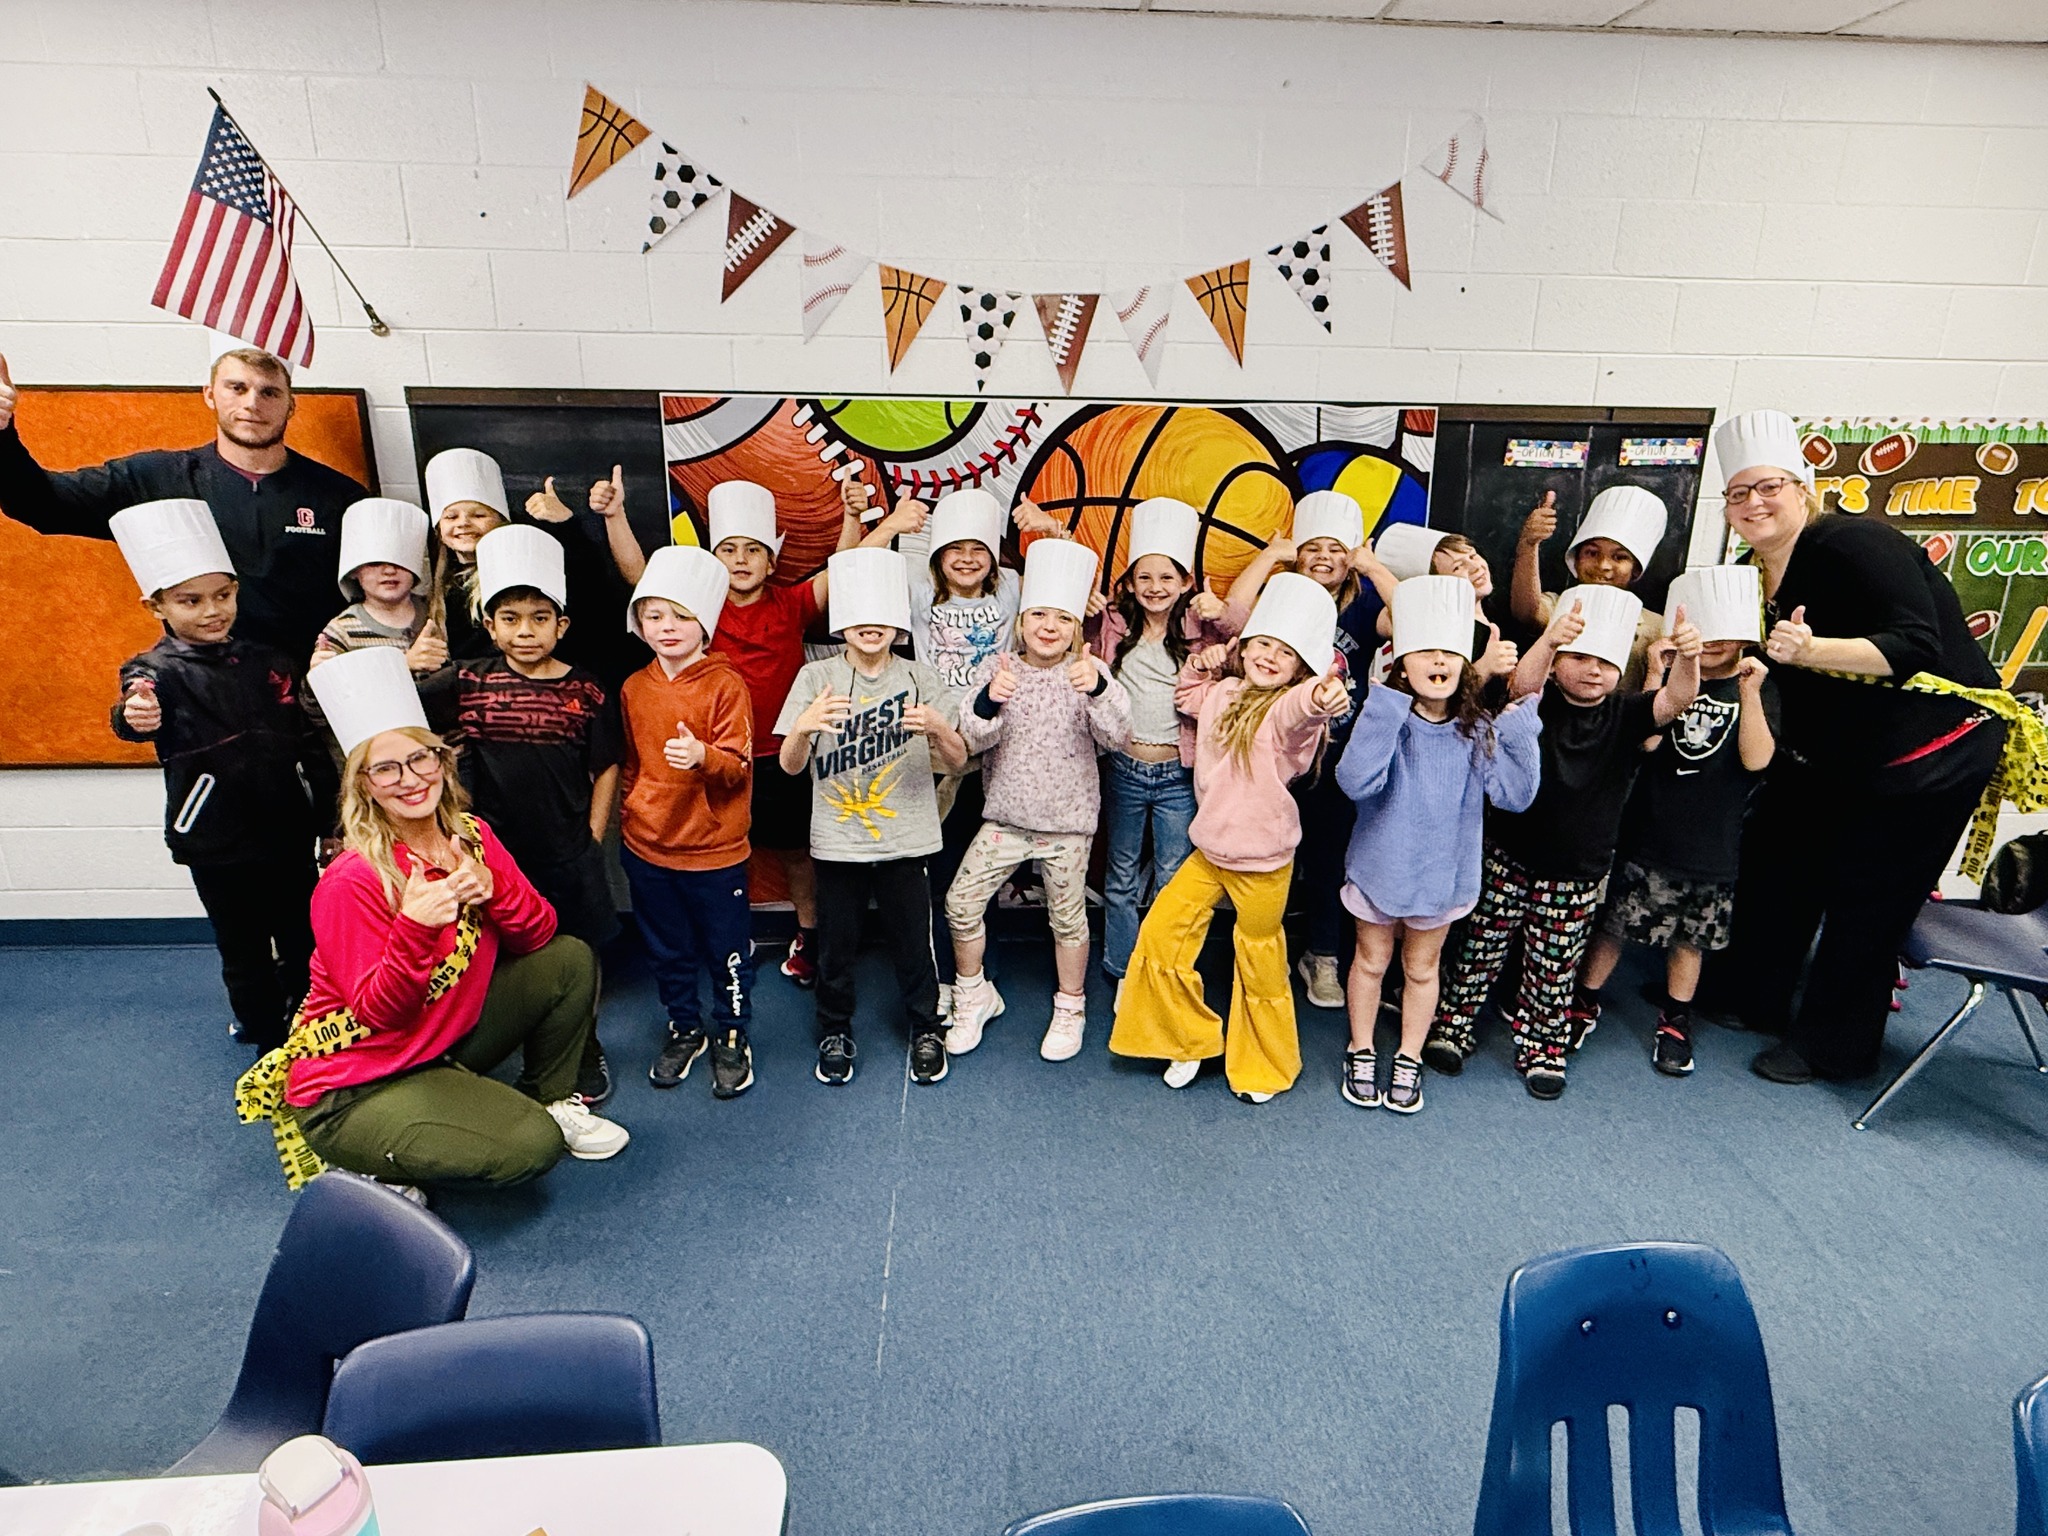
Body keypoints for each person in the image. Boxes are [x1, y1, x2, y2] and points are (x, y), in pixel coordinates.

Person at [235, 646, 628, 1195]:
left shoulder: (471, 835)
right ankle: (373, 1164)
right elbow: (380, 1014)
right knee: (531, 1148)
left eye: (422, 760)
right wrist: (415, 929)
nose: (410, 779)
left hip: (437, 1038)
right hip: (357, 1082)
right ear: (364, 785)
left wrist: (493, 890)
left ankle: (552, 1097)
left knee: (568, 958)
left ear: (443, 763)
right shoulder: (353, 880)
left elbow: (539, 935)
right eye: (386, 768)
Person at [1714, 409, 2015, 1086]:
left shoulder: (1854, 543)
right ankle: (1752, 996)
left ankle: (1833, 1047)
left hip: (1932, 750)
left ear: (1801, 489)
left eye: (1769, 488)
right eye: (1739, 494)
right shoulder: (1750, 569)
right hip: (1834, 752)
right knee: (1779, 854)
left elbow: (1915, 645)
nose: (1754, 504)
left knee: (1868, 894)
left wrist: (1811, 648)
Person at [1425, 584, 1701, 1099]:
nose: (1592, 670)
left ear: (1621, 669)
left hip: (1577, 871)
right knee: (1478, 950)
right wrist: (1551, 639)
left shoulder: (1626, 713)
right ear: (1557, 664)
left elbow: (1679, 699)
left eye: (1604, 662)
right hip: (1508, 854)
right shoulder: (1539, 697)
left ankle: (1543, 1046)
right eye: (1579, 658)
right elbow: (1522, 685)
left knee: (1554, 968)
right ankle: (1452, 1027)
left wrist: (1687, 657)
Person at [1108, 574, 1350, 1103]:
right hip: (1211, 850)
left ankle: (1264, 1065)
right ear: (1243, 647)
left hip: (1263, 860)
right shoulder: (1223, 692)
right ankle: (1189, 1039)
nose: (1270, 656)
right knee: (1160, 937)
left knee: (1260, 961)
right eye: (1263, 643)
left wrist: (1320, 692)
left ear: (1299, 668)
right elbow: (1187, 696)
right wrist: (1201, 663)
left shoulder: (1288, 713)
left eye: (1286, 653)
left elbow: (1302, 710)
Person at [107, 498, 334, 1050]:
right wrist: (135, 715)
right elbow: (132, 710)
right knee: (243, 946)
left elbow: (307, 743)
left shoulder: (270, 660)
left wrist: (327, 818)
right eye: (190, 601)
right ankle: (264, 1037)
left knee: (304, 939)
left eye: (223, 595)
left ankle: (307, 1034)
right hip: (215, 841)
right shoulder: (154, 671)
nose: (212, 610)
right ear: (155, 604)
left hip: (285, 829)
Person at [0, 336, 366, 662]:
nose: (252, 404)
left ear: (290, 404)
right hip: (205, 701)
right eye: (236, 388)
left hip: (317, 697)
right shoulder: (155, 478)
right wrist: (2, 434)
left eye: (269, 392)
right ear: (209, 393)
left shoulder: (340, 497)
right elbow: (40, 505)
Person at [705, 475, 924, 989]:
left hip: (784, 753)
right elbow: (638, 578)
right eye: (729, 550)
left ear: (772, 561)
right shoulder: (701, 610)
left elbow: (842, 571)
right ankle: (732, 935)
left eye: (753, 550)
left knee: (796, 855)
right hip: (717, 753)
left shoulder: (788, 605)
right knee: (719, 851)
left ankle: (810, 934)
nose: (740, 560)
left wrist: (878, 523)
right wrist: (614, 519)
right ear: (711, 560)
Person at [1334, 575, 1542, 1114]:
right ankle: (1360, 1048)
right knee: (1372, 960)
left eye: (1449, 650)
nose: (1438, 660)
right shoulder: (1389, 719)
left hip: (1440, 875)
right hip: (1381, 867)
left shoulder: (1476, 730)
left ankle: (1407, 1055)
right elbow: (1355, 783)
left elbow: (1516, 797)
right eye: (1424, 649)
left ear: (1466, 665)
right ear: (1402, 661)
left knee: (1423, 970)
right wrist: (1382, 708)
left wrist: (1521, 728)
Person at [777, 547, 968, 1087]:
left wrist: (939, 728)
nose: (870, 628)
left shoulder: (923, 679)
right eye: (860, 618)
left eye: (882, 618)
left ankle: (926, 1027)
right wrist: (805, 726)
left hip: (908, 836)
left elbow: (957, 762)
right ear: (842, 624)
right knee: (836, 946)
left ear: (897, 625)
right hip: (838, 840)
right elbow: (791, 768)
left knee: (913, 943)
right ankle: (834, 1029)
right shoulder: (816, 679)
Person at [1576, 564, 1776, 1077]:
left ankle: (1675, 1019)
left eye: (1722, 634)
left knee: (1690, 941)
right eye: (1700, 633)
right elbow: (1645, 741)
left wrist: (1751, 694)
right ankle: (1583, 1000)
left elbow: (1756, 760)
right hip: (1647, 833)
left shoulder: (1754, 689)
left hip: (1711, 844)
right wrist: (1653, 674)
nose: (1710, 643)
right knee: (1614, 924)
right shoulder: (1668, 683)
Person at [456, 524, 625, 1105]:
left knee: (580, 949)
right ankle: (497, 1047)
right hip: (492, 853)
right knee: (493, 953)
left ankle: (584, 1045)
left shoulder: (588, 690)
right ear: (489, 625)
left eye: (538, 617)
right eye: (510, 618)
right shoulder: (466, 681)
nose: (525, 631)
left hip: (568, 847)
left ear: (562, 626)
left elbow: (607, 766)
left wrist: (596, 832)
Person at [945, 539, 1130, 1062]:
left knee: (1067, 919)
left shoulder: (1091, 673)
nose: (1050, 626)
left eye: (1063, 619)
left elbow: (1117, 735)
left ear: (1077, 628)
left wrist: (1096, 689)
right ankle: (974, 993)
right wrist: (990, 699)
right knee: (960, 903)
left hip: (1068, 826)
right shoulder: (998, 669)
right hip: (1006, 819)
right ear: (1022, 620)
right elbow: (972, 738)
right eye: (1039, 615)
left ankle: (1071, 1006)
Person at [621, 545, 759, 1100]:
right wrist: (635, 805)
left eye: (680, 615)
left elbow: (739, 768)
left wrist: (704, 756)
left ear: (704, 622)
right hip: (647, 846)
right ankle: (684, 1026)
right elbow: (632, 763)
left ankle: (731, 1031)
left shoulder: (726, 685)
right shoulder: (635, 687)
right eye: (655, 615)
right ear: (640, 623)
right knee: (666, 948)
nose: (667, 627)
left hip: (713, 851)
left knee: (726, 947)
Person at [1227, 493, 1373, 1011]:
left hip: (1334, 758)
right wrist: (1271, 556)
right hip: (1271, 753)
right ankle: (1262, 955)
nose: (1324, 557)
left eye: (1336, 549)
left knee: (1327, 857)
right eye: (1313, 547)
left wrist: (1371, 563)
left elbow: (1410, 622)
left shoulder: (1364, 603)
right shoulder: (1279, 592)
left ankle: (1323, 954)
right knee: (1268, 857)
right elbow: (1232, 618)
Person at [900, 487, 1022, 1009]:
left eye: (979, 549)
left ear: (994, 557)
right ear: (936, 558)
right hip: (934, 746)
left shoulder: (1014, 588)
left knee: (983, 865)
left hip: (995, 745)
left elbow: (1068, 588)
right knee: (937, 864)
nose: (968, 559)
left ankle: (980, 970)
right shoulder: (918, 591)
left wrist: (1047, 527)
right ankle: (945, 974)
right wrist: (888, 523)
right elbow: (853, 566)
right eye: (955, 550)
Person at [307, 497, 452, 747]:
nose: (389, 571)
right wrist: (403, 666)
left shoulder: (437, 613)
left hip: (448, 748)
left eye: (399, 562)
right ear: (355, 571)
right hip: (383, 753)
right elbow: (324, 709)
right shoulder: (341, 632)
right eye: (375, 563)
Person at [1508, 485, 1668, 690]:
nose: (1603, 565)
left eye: (1619, 557)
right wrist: (1529, 545)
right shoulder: (1559, 605)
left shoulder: (1656, 626)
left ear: (1636, 569)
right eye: (1592, 553)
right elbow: (1527, 612)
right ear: (1575, 559)